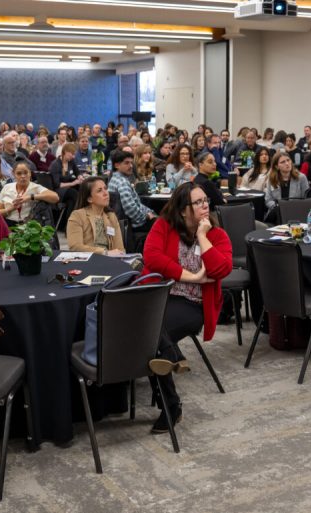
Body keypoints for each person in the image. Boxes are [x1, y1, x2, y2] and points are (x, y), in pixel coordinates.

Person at [142, 183, 233, 434]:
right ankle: (172, 355)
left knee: (150, 334)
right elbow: (152, 257)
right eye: (198, 202)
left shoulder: (216, 235)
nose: (206, 206)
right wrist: (191, 277)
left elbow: (219, 270)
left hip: (194, 304)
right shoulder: (164, 225)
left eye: (206, 201)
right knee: (150, 331)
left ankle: (171, 405)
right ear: (183, 210)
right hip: (161, 296)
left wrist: (203, 237)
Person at [66, 176, 126, 255]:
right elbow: (75, 247)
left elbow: (120, 248)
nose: (106, 193)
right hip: (88, 262)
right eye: (99, 191)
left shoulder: (111, 216)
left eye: (105, 188)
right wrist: (105, 253)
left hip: (110, 261)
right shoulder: (77, 215)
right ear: (89, 199)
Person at [0, 161, 59, 226]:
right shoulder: (7, 187)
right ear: (13, 174)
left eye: (26, 173)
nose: (23, 176)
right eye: (19, 173)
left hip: (29, 226)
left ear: (30, 173)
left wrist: (30, 197)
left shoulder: (36, 187)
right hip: (8, 225)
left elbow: (55, 198)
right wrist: (10, 209)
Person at [109, 150, 157, 233]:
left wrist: (150, 212)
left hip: (126, 223)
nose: (131, 166)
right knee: (166, 225)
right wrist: (146, 216)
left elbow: (136, 205)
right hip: (134, 226)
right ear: (116, 165)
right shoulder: (122, 182)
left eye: (131, 163)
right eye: (126, 163)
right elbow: (130, 209)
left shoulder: (115, 179)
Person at [264, 151, 311, 221]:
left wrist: (290, 208)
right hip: (277, 213)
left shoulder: (301, 178)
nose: (287, 163)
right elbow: (268, 200)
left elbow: (307, 199)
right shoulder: (272, 179)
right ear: (277, 166)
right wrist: (280, 207)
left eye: (288, 160)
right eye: (283, 162)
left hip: (296, 212)